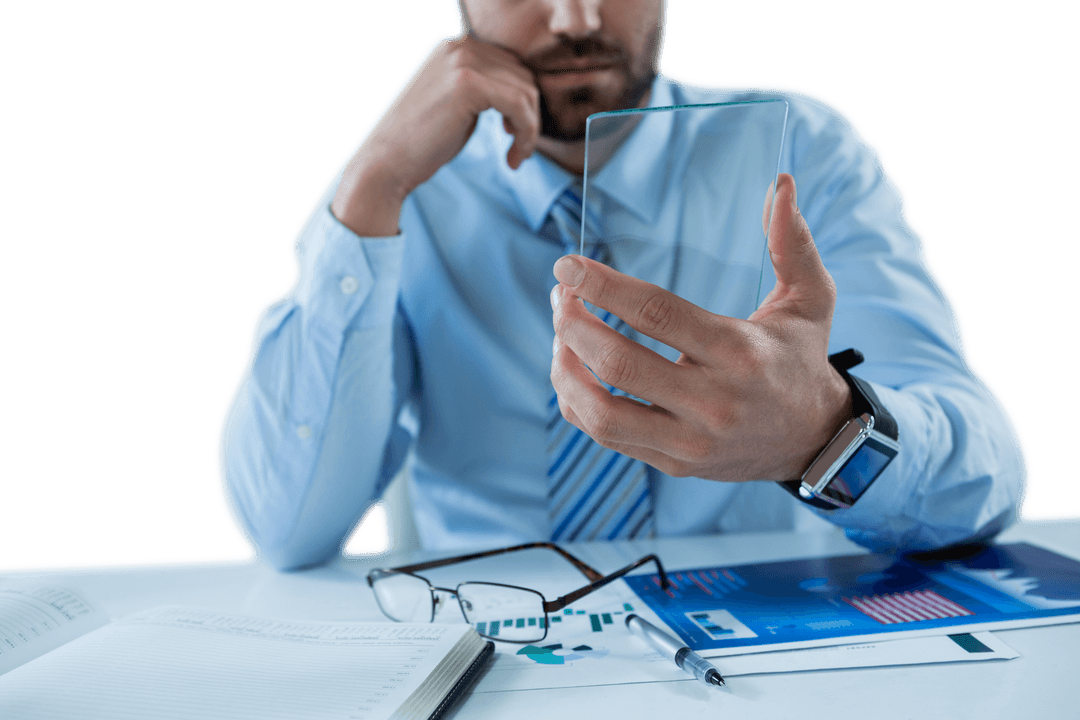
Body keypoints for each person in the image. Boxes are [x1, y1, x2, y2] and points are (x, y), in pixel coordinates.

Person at [214, 0, 1028, 570]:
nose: (577, 17)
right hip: (490, 657)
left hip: (764, 670)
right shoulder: (402, 197)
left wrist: (826, 432)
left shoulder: (803, 148)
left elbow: (987, 481)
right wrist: (366, 192)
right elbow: (286, 530)